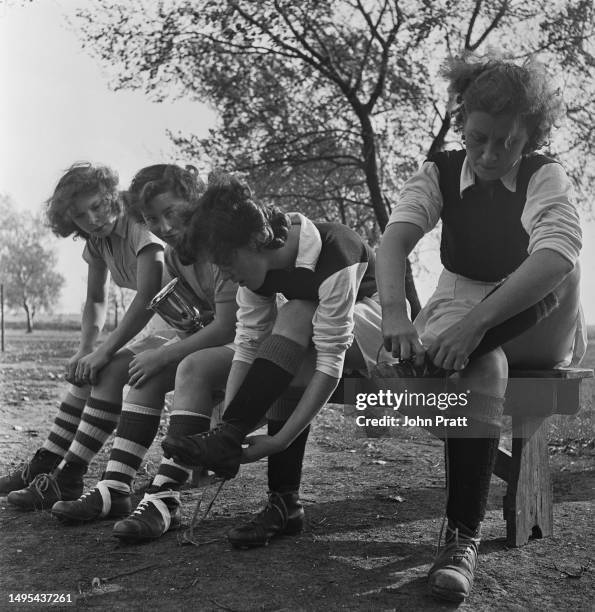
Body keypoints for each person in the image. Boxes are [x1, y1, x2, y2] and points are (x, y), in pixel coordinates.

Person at [375, 54, 584, 603]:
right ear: (463, 122)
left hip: (540, 312)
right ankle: (462, 536)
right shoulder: (439, 170)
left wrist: (474, 327)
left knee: (549, 273)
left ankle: (415, 377)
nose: (490, 155)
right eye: (478, 138)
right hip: (462, 299)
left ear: (530, 136)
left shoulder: (546, 174)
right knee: (481, 363)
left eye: (507, 143)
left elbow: (559, 255)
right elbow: (394, 240)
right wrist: (394, 314)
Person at [159, 172, 393, 548]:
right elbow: (247, 346)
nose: (223, 275)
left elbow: (332, 360)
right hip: (320, 335)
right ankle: (284, 503)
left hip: (380, 336)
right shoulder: (255, 272)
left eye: (224, 262)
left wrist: (280, 440)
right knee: (283, 352)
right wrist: (230, 429)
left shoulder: (335, 250)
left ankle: (281, 494)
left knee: (297, 311)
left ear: (256, 240)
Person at [46, 165, 238, 540]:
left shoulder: (217, 246)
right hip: (204, 332)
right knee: (140, 371)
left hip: (253, 341)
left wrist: (166, 353)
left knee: (185, 366)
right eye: (154, 219)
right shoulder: (179, 254)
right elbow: (196, 317)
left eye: (172, 214)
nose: (165, 227)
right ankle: (113, 488)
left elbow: (231, 326)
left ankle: (164, 496)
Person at [1, 162, 166, 511]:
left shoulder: (138, 226)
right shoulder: (98, 240)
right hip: (161, 322)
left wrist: (104, 351)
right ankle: (46, 465)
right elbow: (95, 298)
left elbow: (149, 298)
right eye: (79, 215)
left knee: (105, 368)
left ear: (113, 195)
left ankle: (69, 476)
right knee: (86, 370)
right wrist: (86, 349)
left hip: (182, 318)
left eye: (98, 205)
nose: (92, 218)